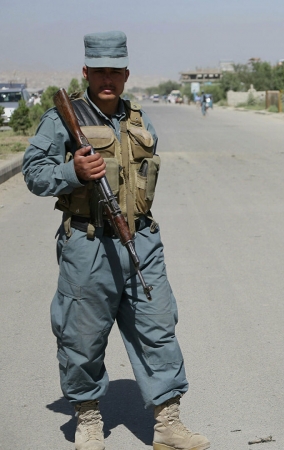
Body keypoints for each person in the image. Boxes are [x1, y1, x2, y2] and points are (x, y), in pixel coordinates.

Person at [22, 31, 210, 450]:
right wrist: (72, 173)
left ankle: (168, 423)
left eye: (115, 71)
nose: (107, 79)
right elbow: (34, 172)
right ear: (86, 72)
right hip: (88, 246)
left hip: (141, 241)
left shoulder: (138, 119)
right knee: (82, 336)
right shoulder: (62, 117)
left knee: (158, 329)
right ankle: (88, 420)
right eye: (99, 71)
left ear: (126, 73)